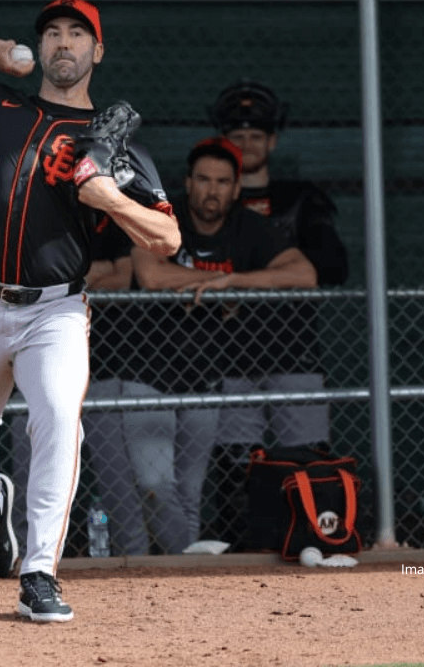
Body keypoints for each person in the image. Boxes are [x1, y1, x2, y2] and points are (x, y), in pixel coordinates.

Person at [0, 0, 180, 622]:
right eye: (52, 32)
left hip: (54, 311)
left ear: (96, 52)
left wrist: (108, 198)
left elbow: (167, 241)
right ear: (40, 48)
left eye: (78, 33)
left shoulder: (110, 149)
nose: (63, 42)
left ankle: (41, 572)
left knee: (56, 420)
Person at [132, 136, 314, 546]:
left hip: (207, 375)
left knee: (191, 492)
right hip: (147, 372)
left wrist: (239, 283)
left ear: (236, 188)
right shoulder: (162, 216)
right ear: (187, 182)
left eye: (222, 181)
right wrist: (218, 284)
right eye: (203, 179)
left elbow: (304, 273)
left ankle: (185, 574)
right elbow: (153, 276)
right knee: (154, 484)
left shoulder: (249, 227)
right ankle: (178, 559)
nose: (211, 190)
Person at [207, 80, 350, 548]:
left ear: (272, 141)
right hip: (228, 358)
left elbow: (331, 266)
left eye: (256, 135)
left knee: (308, 460)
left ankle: (312, 543)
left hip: (294, 353)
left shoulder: (300, 198)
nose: (246, 143)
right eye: (237, 134)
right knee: (236, 471)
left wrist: (244, 277)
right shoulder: (210, 200)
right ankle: (245, 554)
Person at [11, 217, 192, 558]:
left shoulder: (114, 224)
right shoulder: (35, 221)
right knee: (31, 476)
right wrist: (92, 276)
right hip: (39, 366)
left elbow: (124, 278)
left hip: (104, 370)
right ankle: (26, 559)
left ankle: (141, 567)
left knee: (121, 486)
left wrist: (61, 288)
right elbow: (23, 285)